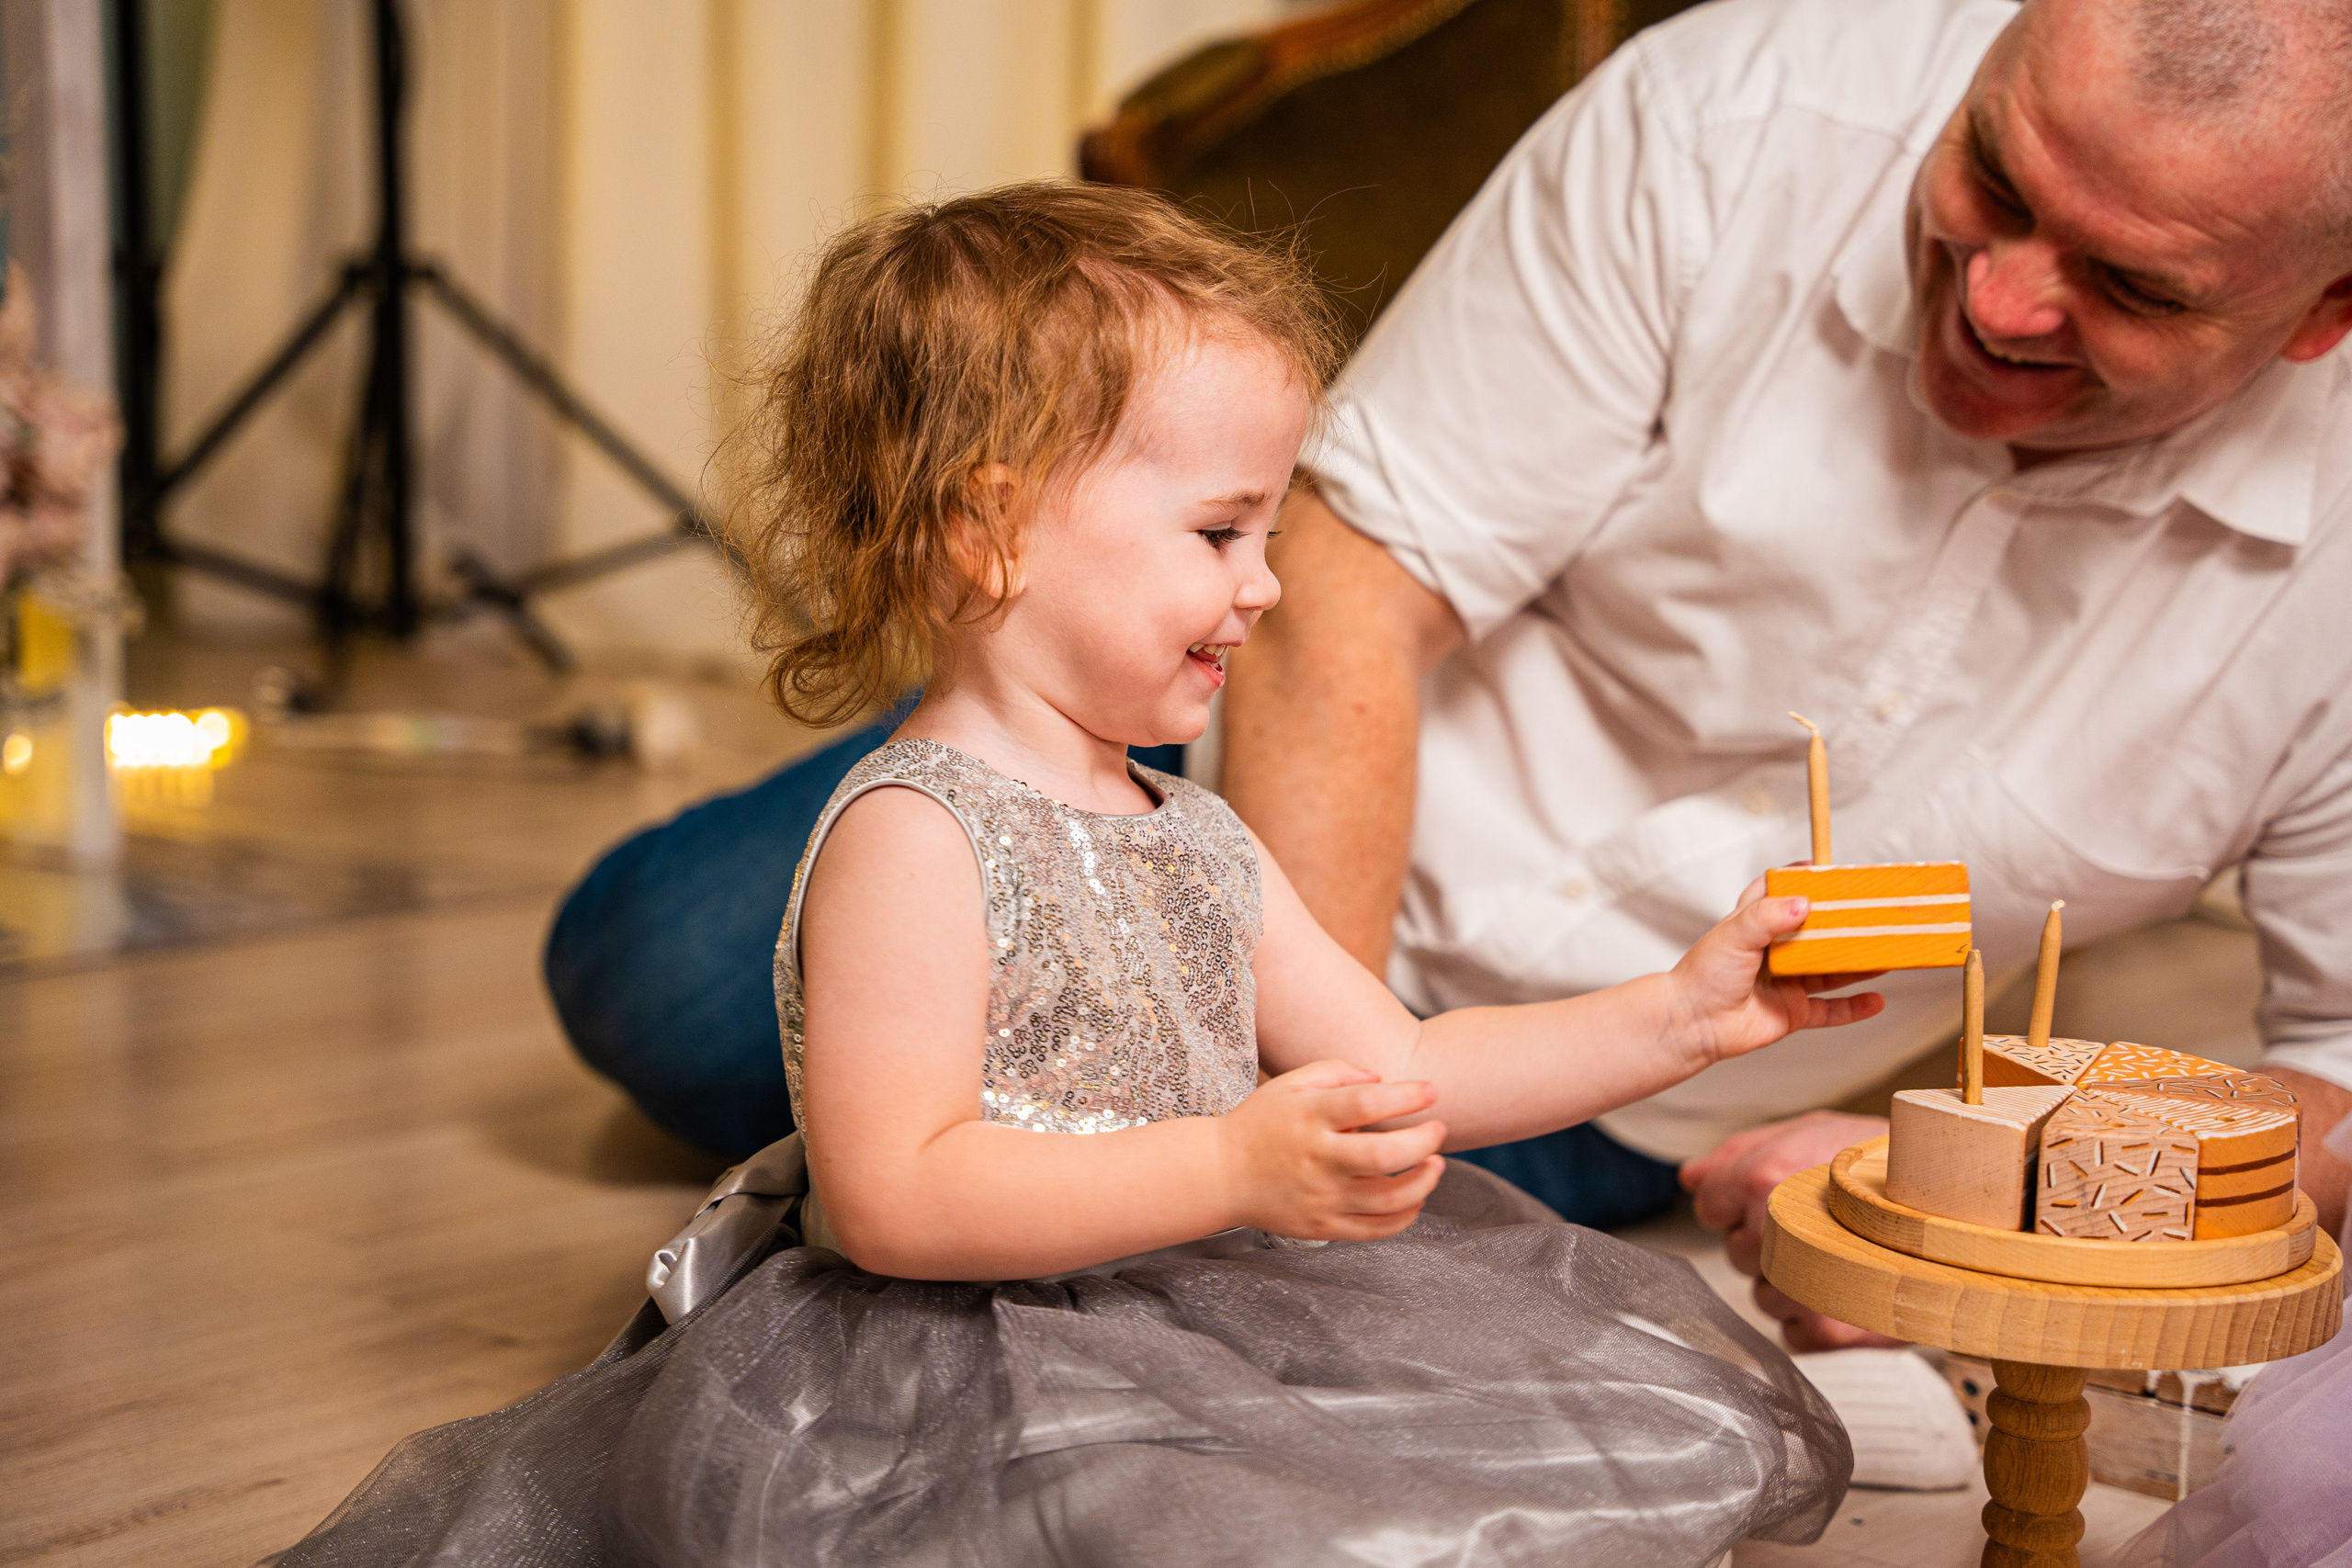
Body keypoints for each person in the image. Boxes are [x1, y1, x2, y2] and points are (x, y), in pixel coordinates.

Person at [275, 183, 1862, 1566]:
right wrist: (1233, 1171)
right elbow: (894, 1196)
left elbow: (1410, 1066)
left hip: (1213, 1302)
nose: (1269, 582)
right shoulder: (914, 832)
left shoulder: (1200, 834)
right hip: (961, 1362)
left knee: (1536, 1440)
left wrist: (1681, 1016)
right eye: (1224, 529)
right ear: (991, 536)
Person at [1221, 0, 2352, 1349]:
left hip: (1608, 1126)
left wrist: (1977, 1199)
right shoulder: (1741, 104)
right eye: (1991, 175)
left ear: (2324, 313)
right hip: (1176, 815)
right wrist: (1325, 1106)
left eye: (2130, 285)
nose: (1996, 298)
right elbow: (1345, 584)